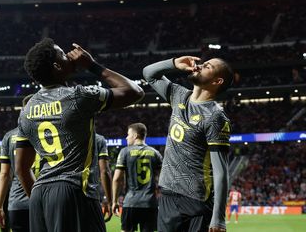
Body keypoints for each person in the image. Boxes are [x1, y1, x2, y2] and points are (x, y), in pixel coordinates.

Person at [14, 38, 144, 232]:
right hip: (73, 190)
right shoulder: (78, 96)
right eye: (62, 54)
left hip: (39, 195)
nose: (69, 55)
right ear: (57, 66)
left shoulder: (26, 110)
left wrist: (40, 200)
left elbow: (22, 169)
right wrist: (92, 65)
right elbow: (134, 91)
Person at [143, 56, 233, 232]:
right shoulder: (179, 95)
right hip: (168, 194)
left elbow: (221, 171)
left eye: (206, 66)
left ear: (217, 81)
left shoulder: (215, 117)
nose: (199, 66)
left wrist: (219, 217)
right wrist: (173, 63)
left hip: (197, 201)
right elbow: (148, 74)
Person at [0, 94, 35, 232]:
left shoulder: (9, 136)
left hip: (17, 203)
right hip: (45, 201)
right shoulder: (48, 131)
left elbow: (5, 174)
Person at [112, 123, 163, 232]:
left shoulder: (125, 152)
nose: (126, 137)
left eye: (128, 134)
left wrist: (114, 201)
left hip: (131, 202)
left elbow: (117, 179)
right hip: (150, 203)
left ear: (135, 136)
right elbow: (162, 179)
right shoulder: (156, 153)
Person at [95, 133, 113, 222]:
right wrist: (109, 201)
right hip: (88, 195)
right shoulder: (98, 139)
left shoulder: (63, 134)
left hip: (54, 190)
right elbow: (104, 171)